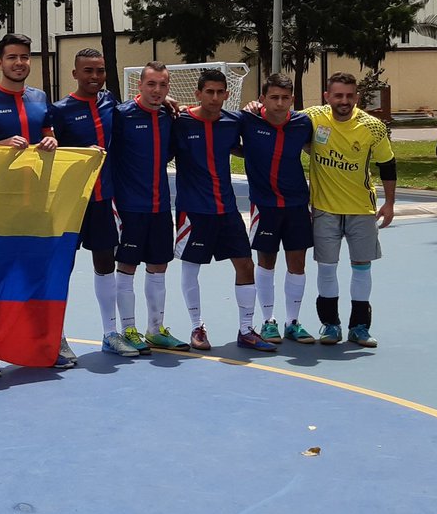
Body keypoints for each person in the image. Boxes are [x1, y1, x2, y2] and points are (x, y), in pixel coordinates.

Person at [0, 33, 76, 370]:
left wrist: (51, 142)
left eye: (24, 57)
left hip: (37, 205)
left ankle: (47, 344)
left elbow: (49, 135)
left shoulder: (41, 99)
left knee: (39, 277)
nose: (19, 63)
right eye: (12, 57)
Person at [171, 70, 271, 352]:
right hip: (193, 210)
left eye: (220, 92)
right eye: (209, 92)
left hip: (226, 209)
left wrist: (255, 107)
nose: (215, 98)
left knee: (245, 264)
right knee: (191, 268)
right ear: (198, 94)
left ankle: (246, 329)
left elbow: (256, 128)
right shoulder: (180, 121)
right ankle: (196, 327)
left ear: (227, 94)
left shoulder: (234, 121)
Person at [50, 48, 136, 358]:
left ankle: (110, 334)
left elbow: (138, 110)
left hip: (103, 199)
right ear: (74, 74)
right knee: (62, 269)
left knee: (105, 264)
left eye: (100, 71)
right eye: (88, 71)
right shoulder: (59, 111)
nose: (95, 77)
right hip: (70, 204)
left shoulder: (110, 102)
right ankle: (55, 336)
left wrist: (166, 101)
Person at [305, 72, 396, 346]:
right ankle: (330, 325)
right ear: (327, 97)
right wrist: (254, 107)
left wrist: (390, 203)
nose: (343, 101)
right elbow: (278, 113)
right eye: (338, 95)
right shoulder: (312, 117)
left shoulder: (372, 127)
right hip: (324, 209)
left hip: (361, 209)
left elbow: (387, 164)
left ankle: (359, 327)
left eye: (349, 95)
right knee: (327, 268)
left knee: (361, 268)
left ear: (356, 97)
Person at [110, 62, 187, 352]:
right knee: (127, 266)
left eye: (163, 85)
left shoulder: (170, 116)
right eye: (151, 84)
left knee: (159, 266)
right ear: (139, 85)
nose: (157, 91)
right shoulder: (121, 115)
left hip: (159, 206)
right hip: (129, 207)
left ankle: (155, 329)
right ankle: (128, 329)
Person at [239, 74, 316, 344]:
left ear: (292, 100)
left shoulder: (302, 123)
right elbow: (229, 140)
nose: (280, 103)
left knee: (297, 264)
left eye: (285, 98)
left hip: (296, 204)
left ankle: (292, 322)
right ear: (262, 99)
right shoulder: (247, 120)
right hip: (265, 205)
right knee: (266, 263)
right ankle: (268, 321)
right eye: (274, 97)